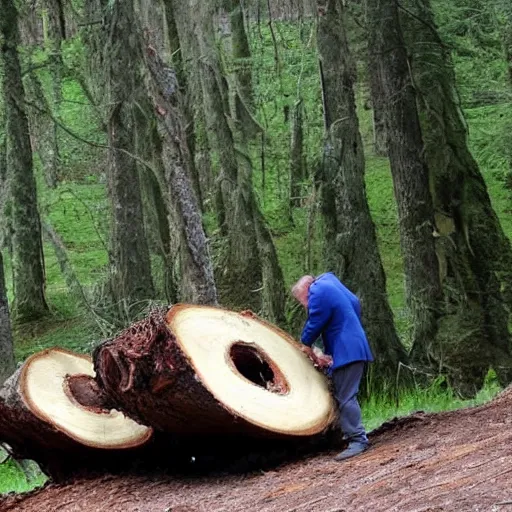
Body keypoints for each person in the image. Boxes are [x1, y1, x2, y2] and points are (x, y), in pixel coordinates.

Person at [291, 272, 373, 461]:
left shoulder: (318, 291)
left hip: (347, 350)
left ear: (307, 290)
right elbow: (354, 303)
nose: (305, 305)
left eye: (303, 301)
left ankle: (357, 440)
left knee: (345, 397)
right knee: (342, 392)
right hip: (351, 347)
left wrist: (305, 343)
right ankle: (348, 434)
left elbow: (315, 321)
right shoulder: (331, 285)